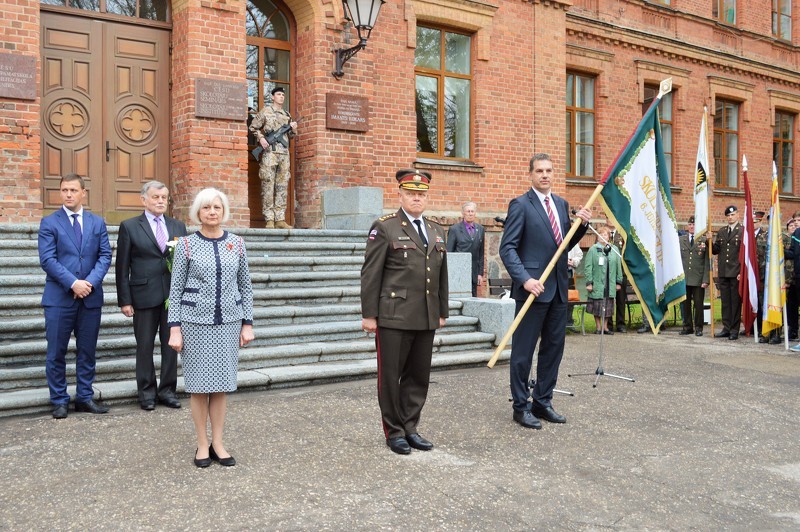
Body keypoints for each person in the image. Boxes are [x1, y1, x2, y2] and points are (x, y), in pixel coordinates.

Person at [499, 153, 590, 430]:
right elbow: (508, 248)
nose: (545, 175)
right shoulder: (520, 205)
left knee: (553, 350)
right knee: (524, 352)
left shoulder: (561, 204)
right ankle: (521, 406)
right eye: (539, 171)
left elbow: (561, 243)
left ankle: (543, 401)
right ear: (531, 175)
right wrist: (525, 279)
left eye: (549, 170)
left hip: (559, 289)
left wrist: (581, 226)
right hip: (533, 291)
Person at [361, 169, 449, 455]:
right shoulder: (385, 227)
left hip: (425, 315)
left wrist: (442, 310)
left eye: (421, 194)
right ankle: (394, 431)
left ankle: (411, 427)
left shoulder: (436, 229)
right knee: (391, 376)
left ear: (426, 197)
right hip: (393, 315)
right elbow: (371, 274)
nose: (416, 198)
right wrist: (369, 314)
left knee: (418, 376)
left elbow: (441, 274)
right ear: (399, 195)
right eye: (410, 193)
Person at [167, 188, 255, 467]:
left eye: (217, 207)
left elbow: (246, 286)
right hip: (195, 324)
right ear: (198, 213)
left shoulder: (237, 244)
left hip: (228, 323)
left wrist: (247, 323)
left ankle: (218, 441)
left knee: (221, 387)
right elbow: (176, 288)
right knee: (198, 387)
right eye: (206, 208)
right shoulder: (186, 245)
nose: (212, 212)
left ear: (224, 211)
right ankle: (201, 443)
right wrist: (175, 328)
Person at [38, 174, 112, 419]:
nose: (68, 194)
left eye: (72, 190)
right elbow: (48, 260)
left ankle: (84, 397)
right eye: (64, 190)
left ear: (83, 193)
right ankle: (59, 400)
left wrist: (89, 282)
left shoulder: (97, 222)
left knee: (87, 351)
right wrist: (73, 283)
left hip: (90, 298)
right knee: (56, 352)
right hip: (59, 298)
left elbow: (104, 256)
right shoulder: (49, 223)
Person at [116, 181, 188, 410]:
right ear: (143, 200)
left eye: (164, 197)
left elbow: (185, 264)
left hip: (172, 298)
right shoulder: (129, 226)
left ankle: (167, 391)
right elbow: (122, 266)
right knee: (144, 346)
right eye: (155, 197)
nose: (160, 201)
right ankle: (146, 393)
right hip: (143, 296)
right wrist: (125, 300)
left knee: (171, 346)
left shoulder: (178, 226)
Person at [249, 86, 298, 229]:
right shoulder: (266, 111)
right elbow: (253, 127)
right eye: (278, 94)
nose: (281, 96)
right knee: (268, 185)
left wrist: (293, 129)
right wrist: (261, 138)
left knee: (282, 186)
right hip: (270, 153)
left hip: (284, 155)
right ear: (272, 97)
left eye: (283, 94)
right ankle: (269, 219)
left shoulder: (287, 114)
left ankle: (280, 219)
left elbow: (291, 136)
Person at [583, 226, 622, 335]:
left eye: (605, 234)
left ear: (609, 237)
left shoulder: (614, 249)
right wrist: (589, 283)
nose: (602, 236)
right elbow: (588, 267)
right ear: (597, 236)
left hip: (610, 284)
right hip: (597, 283)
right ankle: (598, 327)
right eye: (600, 234)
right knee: (597, 306)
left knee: (608, 307)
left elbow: (619, 267)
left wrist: (619, 282)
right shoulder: (593, 249)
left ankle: (605, 327)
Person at [712, 205, 743, 340]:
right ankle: (726, 327)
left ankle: (734, 329)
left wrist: (742, 271)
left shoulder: (742, 231)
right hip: (724, 272)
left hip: (736, 272)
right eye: (728, 215)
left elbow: (744, 254)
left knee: (735, 302)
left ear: (737, 215)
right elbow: (716, 250)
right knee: (725, 301)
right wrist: (709, 242)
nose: (730, 217)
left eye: (733, 215)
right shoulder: (722, 231)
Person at [447, 201, 485, 296]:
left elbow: (481, 253)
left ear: (475, 213)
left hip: (474, 273)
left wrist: (480, 273)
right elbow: (449, 253)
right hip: (458, 272)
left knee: (473, 299)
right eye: (468, 211)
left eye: (472, 211)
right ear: (463, 213)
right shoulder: (454, 230)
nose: (470, 213)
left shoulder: (480, 229)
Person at [679, 216, 709, 337]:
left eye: (694, 224)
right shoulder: (681, 240)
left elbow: (707, 261)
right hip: (684, 278)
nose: (691, 226)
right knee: (685, 304)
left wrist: (705, 279)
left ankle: (698, 327)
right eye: (690, 224)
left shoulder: (703, 240)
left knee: (698, 304)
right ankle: (687, 326)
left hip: (698, 279)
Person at [606, 218, 628, 332]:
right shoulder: (603, 234)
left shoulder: (622, 235)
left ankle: (620, 324)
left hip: (621, 273)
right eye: (607, 217)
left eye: (611, 217)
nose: (609, 220)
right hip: (607, 273)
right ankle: (608, 324)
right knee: (608, 299)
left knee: (620, 300)